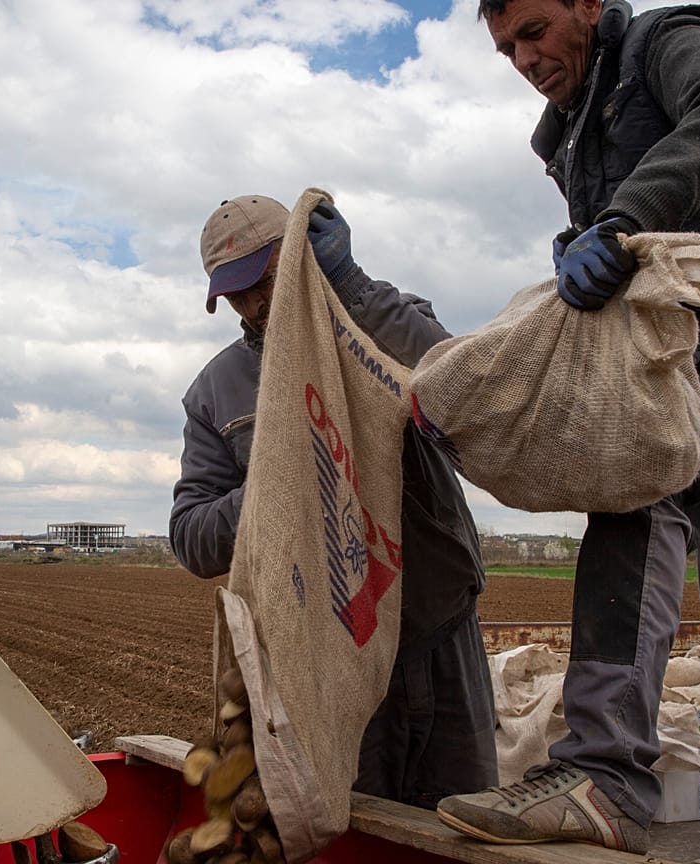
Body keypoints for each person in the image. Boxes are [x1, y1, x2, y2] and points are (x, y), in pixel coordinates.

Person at [435, 1, 700, 860]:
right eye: (505, 47)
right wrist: (582, 242)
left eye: (534, 30)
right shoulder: (564, 131)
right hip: (699, 371)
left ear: (590, 5)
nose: (522, 57)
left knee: (645, 487)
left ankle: (603, 777)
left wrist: (623, 217)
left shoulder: (668, 43)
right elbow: (615, 233)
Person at [169, 193, 499, 809]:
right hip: (330, 656)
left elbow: (459, 388)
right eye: (235, 294)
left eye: (263, 280)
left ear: (297, 259)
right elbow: (191, 536)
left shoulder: (381, 319)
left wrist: (352, 286)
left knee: (465, 818)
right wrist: (279, 472)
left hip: (438, 622)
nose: (255, 304)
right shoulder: (216, 392)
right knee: (361, 826)